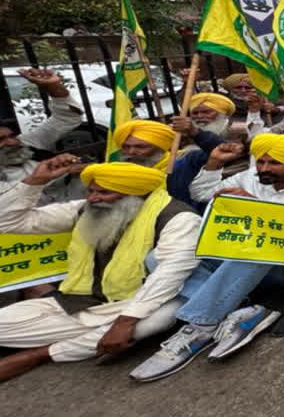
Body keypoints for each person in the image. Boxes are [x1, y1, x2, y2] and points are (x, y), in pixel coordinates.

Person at [129, 135, 284, 381]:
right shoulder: (251, 176)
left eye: (274, 164)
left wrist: (257, 208)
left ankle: (200, 326)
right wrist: (213, 164)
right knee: (157, 258)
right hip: (235, 257)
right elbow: (201, 193)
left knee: (262, 247)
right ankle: (239, 308)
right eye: (261, 161)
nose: (264, 169)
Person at [0, 161, 201, 382]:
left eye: (104, 192)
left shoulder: (178, 218)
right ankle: (86, 341)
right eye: (91, 191)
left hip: (135, 304)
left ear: (135, 193)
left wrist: (125, 322)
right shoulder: (86, 209)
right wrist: (35, 181)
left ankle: (40, 354)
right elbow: (9, 221)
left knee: (157, 320)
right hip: (78, 303)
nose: (93, 198)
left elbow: (171, 273)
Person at [0, 69, 84, 201]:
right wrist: (56, 174)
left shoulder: (27, 143)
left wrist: (53, 87)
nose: (12, 142)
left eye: (11, 136)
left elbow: (68, 118)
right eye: (1, 140)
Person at [112, 118, 222, 211]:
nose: (131, 152)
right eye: (125, 147)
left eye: (140, 147)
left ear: (161, 146)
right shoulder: (121, 171)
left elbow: (226, 151)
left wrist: (196, 132)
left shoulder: (187, 160)